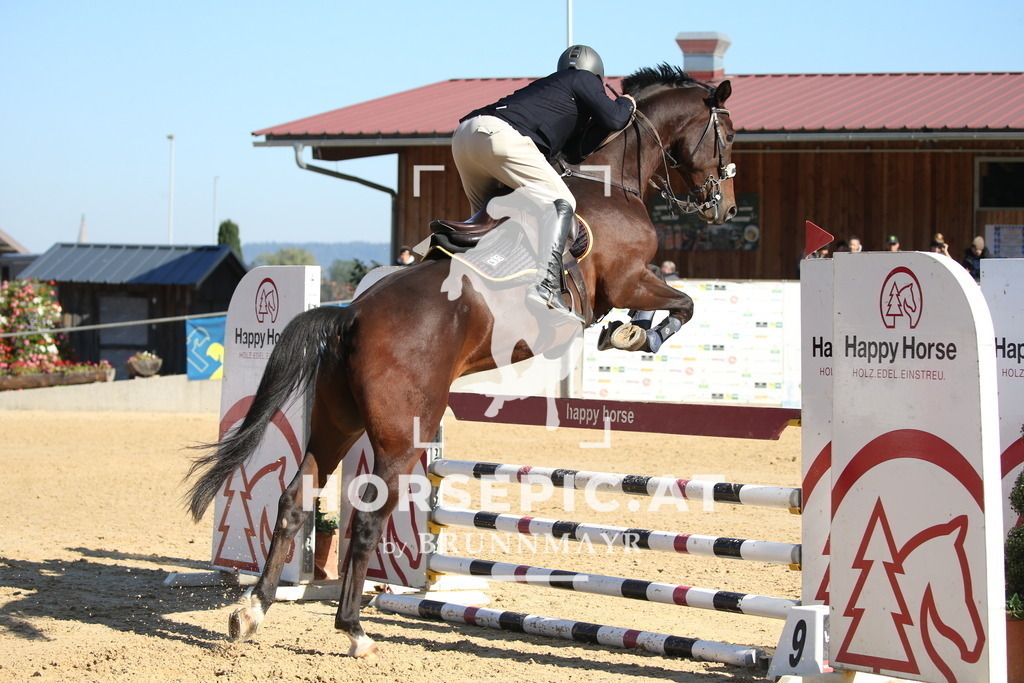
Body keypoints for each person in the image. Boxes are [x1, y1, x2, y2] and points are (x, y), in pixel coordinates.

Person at [451, 45, 637, 321]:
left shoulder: (551, 89)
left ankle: (465, 281)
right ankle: (547, 287)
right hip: (501, 136)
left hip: (465, 136)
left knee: (486, 220)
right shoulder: (584, 79)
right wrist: (627, 102)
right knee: (563, 203)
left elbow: (573, 151)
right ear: (597, 75)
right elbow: (615, 117)